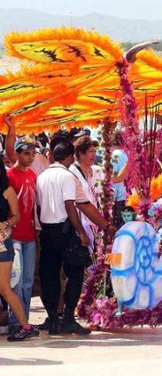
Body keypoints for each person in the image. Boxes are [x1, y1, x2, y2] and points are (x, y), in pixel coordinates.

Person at [36, 139, 92, 335]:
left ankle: (53, 319)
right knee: (75, 273)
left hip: (47, 231)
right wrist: (82, 232)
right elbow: (70, 206)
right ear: (70, 157)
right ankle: (68, 317)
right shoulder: (67, 176)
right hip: (65, 232)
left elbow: (39, 206)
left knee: (49, 276)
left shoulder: (41, 177)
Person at [0, 153, 38, 341]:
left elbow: (16, 216)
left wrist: (5, 225)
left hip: (3, 242)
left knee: (6, 288)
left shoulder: (6, 190)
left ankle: (24, 325)